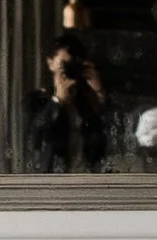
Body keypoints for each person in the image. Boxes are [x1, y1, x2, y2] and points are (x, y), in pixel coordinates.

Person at [24, 43, 112, 174]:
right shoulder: (37, 99)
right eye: (64, 64)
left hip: (89, 177)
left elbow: (113, 130)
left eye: (74, 65)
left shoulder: (86, 99)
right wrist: (57, 100)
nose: (69, 69)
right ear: (50, 63)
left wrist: (99, 91)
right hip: (55, 178)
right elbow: (34, 138)